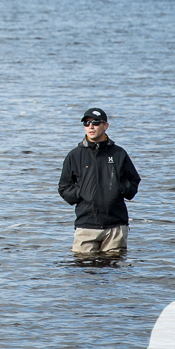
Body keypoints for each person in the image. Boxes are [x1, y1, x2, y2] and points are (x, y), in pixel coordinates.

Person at [57, 107, 141, 254]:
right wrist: (81, 193)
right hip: (86, 225)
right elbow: (64, 187)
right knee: (83, 266)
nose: (91, 126)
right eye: (86, 123)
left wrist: (120, 189)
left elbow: (133, 180)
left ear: (105, 125)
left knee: (114, 266)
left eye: (95, 122)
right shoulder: (74, 155)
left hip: (115, 226)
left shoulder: (119, 153)